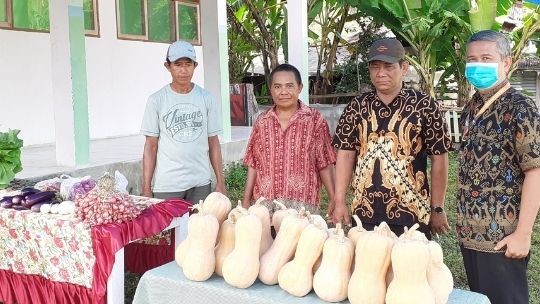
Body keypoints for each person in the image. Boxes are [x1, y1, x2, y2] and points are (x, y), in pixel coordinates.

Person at [331, 38, 453, 238]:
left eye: (388, 66)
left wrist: (437, 207)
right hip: (364, 211)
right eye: (375, 67)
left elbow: (439, 157)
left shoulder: (425, 106)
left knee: (408, 267)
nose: (381, 73)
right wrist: (339, 200)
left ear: (403, 68)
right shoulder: (357, 106)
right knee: (367, 267)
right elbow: (345, 154)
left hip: (412, 213)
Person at [457, 30, 540, 304]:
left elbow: (536, 170)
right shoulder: (472, 108)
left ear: (505, 63)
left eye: (486, 57)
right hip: (470, 235)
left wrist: (523, 234)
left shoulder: (521, 108)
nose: (478, 64)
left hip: (503, 238)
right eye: (472, 59)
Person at [242, 63, 336, 214]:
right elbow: (254, 163)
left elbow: (324, 162)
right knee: (266, 238)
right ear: (271, 89)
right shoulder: (262, 121)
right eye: (278, 87)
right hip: (265, 206)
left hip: (302, 208)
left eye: (289, 86)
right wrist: (246, 199)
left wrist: (334, 199)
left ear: (300, 88)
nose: (283, 92)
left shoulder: (314, 120)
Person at [140, 40, 226, 202]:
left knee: (200, 226)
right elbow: (150, 146)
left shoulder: (206, 98)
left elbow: (213, 142)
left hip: (200, 183)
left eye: (188, 64)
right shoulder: (157, 100)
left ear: (195, 66)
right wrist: (146, 188)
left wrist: (220, 182)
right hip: (168, 185)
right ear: (168, 66)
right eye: (178, 64)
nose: (183, 70)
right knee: (170, 227)